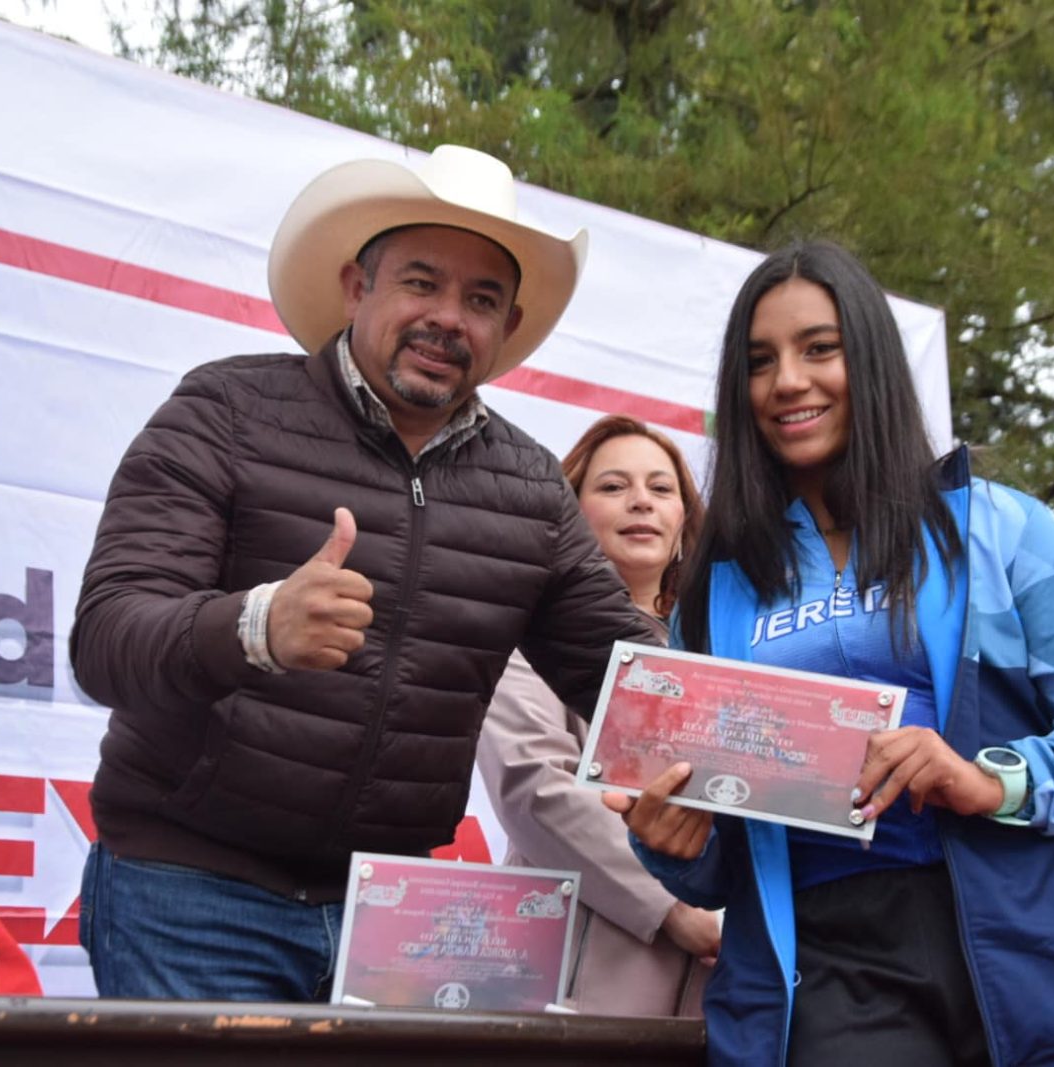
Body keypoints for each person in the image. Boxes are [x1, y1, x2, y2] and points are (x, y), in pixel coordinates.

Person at [72, 144, 658, 1001]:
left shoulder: (531, 487)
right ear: (357, 286)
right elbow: (106, 636)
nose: (449, 318)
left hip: (400, 916)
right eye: (422, 283)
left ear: (505, 328)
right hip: (191, 895)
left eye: (481, 299)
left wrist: (821, 745)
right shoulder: (225, 409)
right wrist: (258, 626)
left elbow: (627, 675)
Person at [610, 240, 1054, 1066]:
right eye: (760, 360)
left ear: (874, 359)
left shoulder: (1001, 527)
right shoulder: (719, 589)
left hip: (1045, 938)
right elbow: (718, 864)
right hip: (829, 967)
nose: (787, 382)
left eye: (820, 348)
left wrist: (987, 777)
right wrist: (675, 841)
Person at [475, 414, 718, 1016]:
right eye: (613, 487)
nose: (641, 501)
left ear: (685, 520)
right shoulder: (527, 633)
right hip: (570, 980)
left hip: (721, 990)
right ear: (571, 513)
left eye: (662, 490)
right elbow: (534, 783)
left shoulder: (726, 648)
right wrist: (673, 908)